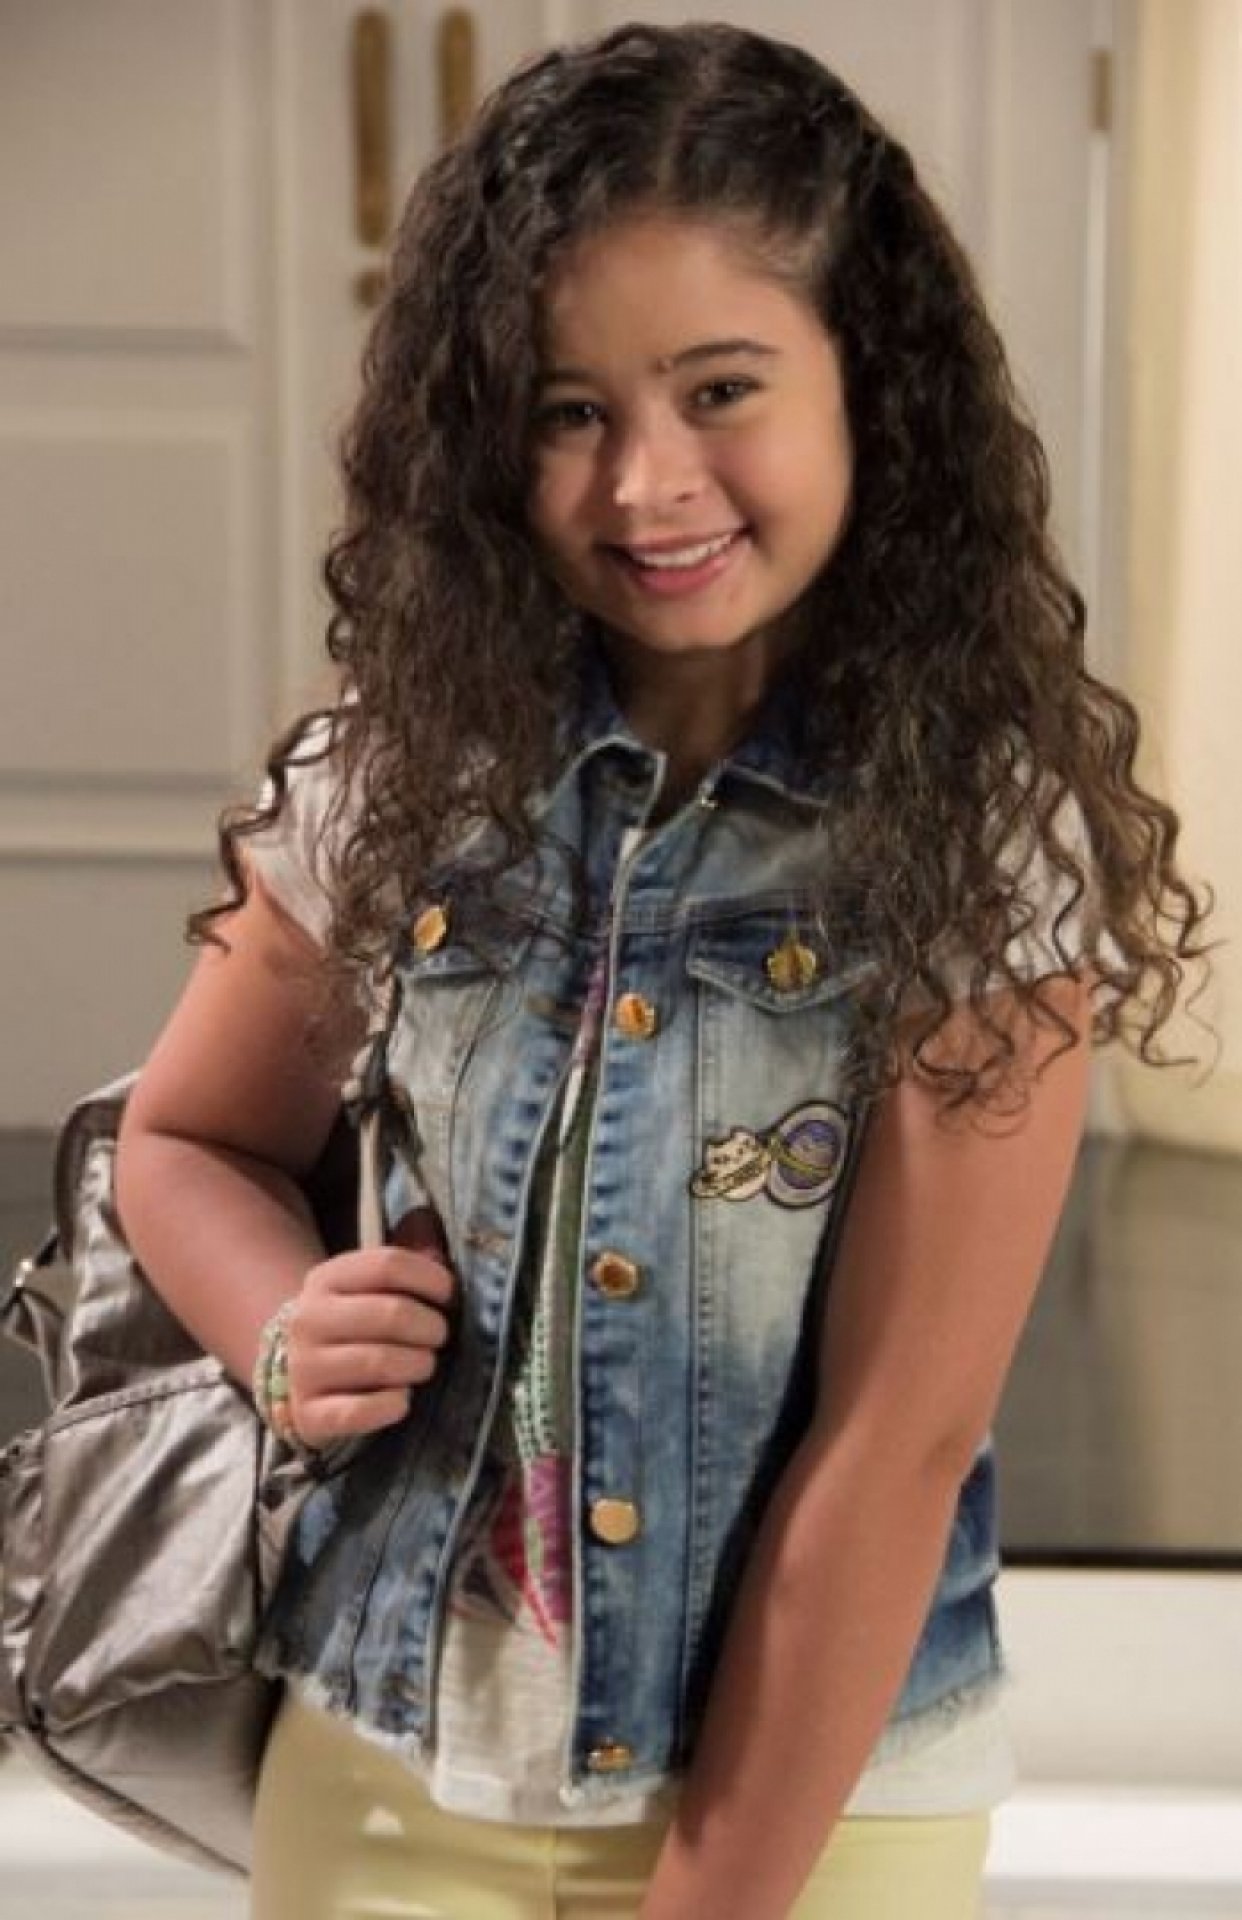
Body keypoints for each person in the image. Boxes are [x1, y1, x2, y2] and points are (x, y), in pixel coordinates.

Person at [113, 22, 1208, 1920]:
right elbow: (184, 1142)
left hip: (816, 1818)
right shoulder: (395, 769)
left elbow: (896, 1446)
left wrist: (714, 1897)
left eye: (720, 390)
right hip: (383, 1775)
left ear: (868, 381)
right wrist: (281, 1324)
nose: (644, 484)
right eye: (567, 411)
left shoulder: (976, 841)